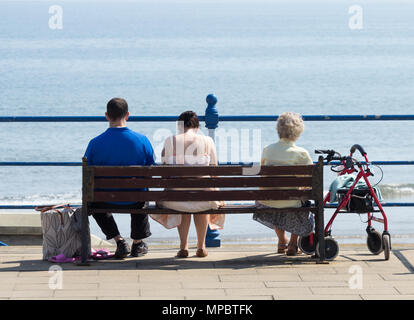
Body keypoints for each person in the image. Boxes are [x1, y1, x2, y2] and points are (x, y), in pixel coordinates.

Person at [84, 98, 155, 259]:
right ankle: (137, 243)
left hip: (105, 199)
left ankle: (119, 241)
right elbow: (150, 170)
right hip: (135, 198)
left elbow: (88, 175)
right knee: (142, 192)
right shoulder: (142, 140)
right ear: (128, 115)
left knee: (93, 199)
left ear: (106, 116)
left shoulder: (94, 143)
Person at [150, 111, 225, 258]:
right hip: (205, 200)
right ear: (197, 126)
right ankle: (201, 246)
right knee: (202, 196)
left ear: (179, 126)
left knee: (183, 196)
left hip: (176, 200)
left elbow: (164, 174)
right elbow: (214, 172)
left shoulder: (169, 141)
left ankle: (183, 246)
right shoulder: (208, 141)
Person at [253, 112, 314, 256]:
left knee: (276, 199)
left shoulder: (267, 150)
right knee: (301, 203)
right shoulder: (302, 153)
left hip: (267, 201)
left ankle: (281, 241)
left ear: (278, 130)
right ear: (298, 132)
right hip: (292, 201)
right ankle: (293, 243)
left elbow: (264, 174)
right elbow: (311, 179)